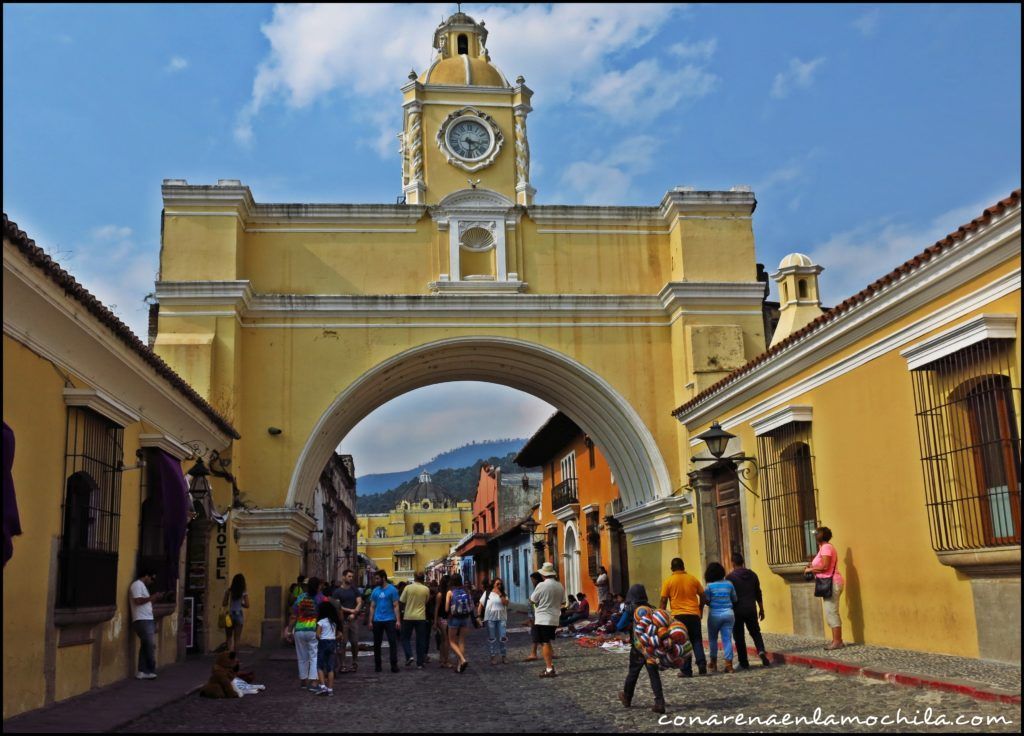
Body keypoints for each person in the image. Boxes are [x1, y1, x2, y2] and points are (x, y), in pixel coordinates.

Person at [616, 584, 665, 714]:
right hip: (650, 647)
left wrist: (629, 624)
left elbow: (619, 626)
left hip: (638, 648)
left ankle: (627, 697)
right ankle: (659, 702)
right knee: (654, 674)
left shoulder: (630, 609)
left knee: (633, 672)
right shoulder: (650, 609)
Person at [660, 557, 708, 677]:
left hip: (678, 617)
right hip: (693, 614)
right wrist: (700, 609)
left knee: (683, 642)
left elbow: (663, 600)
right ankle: (701, 664)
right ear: (683, 566)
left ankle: (686, 670)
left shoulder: (668, 581)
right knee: (696, 640)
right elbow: (703, 596)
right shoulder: (692, 579)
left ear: (672, 568)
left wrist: (662, 616)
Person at [804, 526, 845, 650]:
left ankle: (837, 641)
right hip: (829, 582)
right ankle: (837, 640)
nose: (814, 535)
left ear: (821, 535)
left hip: (831, 582)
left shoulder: (826, 547)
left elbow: (826, 566)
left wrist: (811, 569)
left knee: (831, 612)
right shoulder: (823, 548)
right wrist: (812, 566)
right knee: (831, 611)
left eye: (816, 533)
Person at [727, 552, 770, 668]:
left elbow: (728, 596)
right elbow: (758, 593)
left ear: (733, 563)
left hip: (737, 610)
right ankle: (761, 650)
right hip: (751, 609)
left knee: (739, 636)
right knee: (755, 632)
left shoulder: (730, 578)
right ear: (743, 562)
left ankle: (743, 662)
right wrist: (762, 609)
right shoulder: (753, 575)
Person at [285, 576, 323, 691]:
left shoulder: (300, 598)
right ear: (318, 587)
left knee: (302, 657)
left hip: (299, 630)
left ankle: (303, 681)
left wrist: (289, 630)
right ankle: (313, 681)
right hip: (313, 629)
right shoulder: (320, 599)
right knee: (314, 656)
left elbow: (293, 616)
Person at [529, 562, 565, 678]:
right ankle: (550, 665)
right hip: (554, 618)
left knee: (544, 643)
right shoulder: (559, 585)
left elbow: (533, 599)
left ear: (544, 574)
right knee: (547, 641)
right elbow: (563, 602)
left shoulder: (542, 585)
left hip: (543, 618)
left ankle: (549, 668)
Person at [129, 569, 165, 680]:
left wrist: (155, 598)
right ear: (146, 576)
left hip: (147, 618)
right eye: (152, 578)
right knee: (150, 645)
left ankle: (142, 671)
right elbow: (138, 601)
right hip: (142, 619)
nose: (152, 581)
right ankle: (150, 669)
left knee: (145, 645)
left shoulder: (142, 586)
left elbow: (145, 602)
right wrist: (152, 597)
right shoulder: (137, 585)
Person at [704, 562, 737, 673]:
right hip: (729, 614)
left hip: (714, 616)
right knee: (727, 639)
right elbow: (735, 599)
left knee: (713, 639)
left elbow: (707, 601)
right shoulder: (729, 584)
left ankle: (713, 663)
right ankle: (729, 665)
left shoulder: (709, 587)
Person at [369, 570, 401, 673]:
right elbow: (372, 606)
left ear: (383, 578)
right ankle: (378, 665)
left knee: (392, 642)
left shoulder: (392, 590)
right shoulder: (375, 591)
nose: (376, 580)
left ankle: (394, 665)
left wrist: (398, 620)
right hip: (377, 620)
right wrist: (370, 620)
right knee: (377, 644)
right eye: (375, 578)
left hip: (390, 620)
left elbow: (396, 605)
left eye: (378, 578)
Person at [332, 568, 363, 673]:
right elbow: (338, 606)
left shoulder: (354, 590)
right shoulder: (337, 592)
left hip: (353, 620)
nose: (351, 578)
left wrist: (354, 613)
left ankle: (355, 662)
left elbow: (359, 602)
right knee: (343, 643)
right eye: (349, 576)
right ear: (343, 577)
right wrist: (351, 610)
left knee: (354, 642)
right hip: (342, 620)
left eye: (352, 577)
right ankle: (343, 664)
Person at [400, 572, 431, 669]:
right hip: (421, 617)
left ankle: (409, 655)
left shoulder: (408, 588)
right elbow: (426, 601)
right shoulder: (426, 589)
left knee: (405, 638)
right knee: (420, 640)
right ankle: (420, 663)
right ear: (423, 578)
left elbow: (402, 601)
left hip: (408, 616)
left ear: (414, 578)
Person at [446, 573, 474, 673]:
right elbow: (471, 605)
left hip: (454, 619)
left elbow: (446, 608)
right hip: (465, 618)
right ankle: (459, 665)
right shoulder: (466, 591)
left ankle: (462, 660)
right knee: (461, 641)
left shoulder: (450, 592)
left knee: (452, 641)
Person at [478, 577, 509, 664]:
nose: (499, 585)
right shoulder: (487, 593)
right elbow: (480, 605)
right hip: (490, 619)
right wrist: (478, 616)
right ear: (493, 584)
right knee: (492, 638)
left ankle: (504, 656)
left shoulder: (503, 593)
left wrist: (500, 594)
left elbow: (506, 603)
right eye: (497, 584)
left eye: (500, 584)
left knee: (502, 637)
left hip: (501, 618)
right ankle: (493, 656)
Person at [315, 600, 342, 696]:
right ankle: (330, 689)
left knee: (320, 666)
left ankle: (322, 686)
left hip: (323, 643)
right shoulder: (334, 623)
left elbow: (317, 635)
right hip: (332, 642)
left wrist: (319, 638)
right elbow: (338, 635)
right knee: (330, 667)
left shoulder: (321, 622)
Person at [222, 573, 249, 653]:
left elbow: (224, 603)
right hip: (239, 615)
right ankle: (235, 658)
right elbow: (247, 605)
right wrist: (241, 603)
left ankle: (229, 656)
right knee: (237, 638)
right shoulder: (243, 592)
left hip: (229, 615)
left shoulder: (229, 591)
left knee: (229, 637)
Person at [524, 571, 544, 662]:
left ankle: (534, 653)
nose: (531, 581)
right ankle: (550, 652)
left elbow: (532, 602)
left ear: (536, 579)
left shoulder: (539, 588)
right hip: (539, 614)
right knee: (541, 634)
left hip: (538, 615)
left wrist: (531, 617)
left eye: (532, 580)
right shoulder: (540, 587)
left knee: (536, 634)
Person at [433, 575, 452, 668]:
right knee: (446, 640)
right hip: (442, 618)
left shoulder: (448, 593)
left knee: (442, 640)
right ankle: (446, 660)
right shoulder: (440, 594)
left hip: (445, 618)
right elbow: (436, 608)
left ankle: (442, 659)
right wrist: (435, 622)